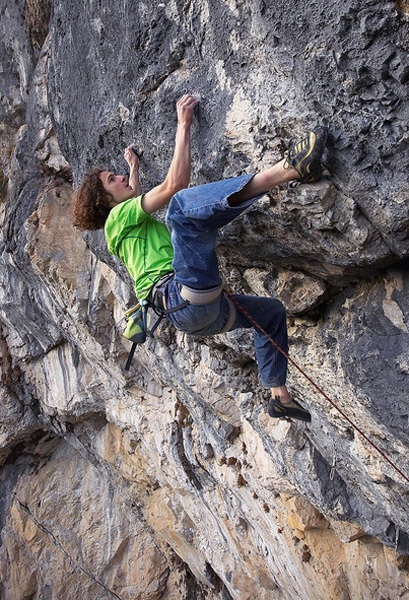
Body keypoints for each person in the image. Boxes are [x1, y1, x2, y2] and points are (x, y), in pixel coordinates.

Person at [73, 94, 328, 422]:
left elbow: (133, 193)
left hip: (196, 316)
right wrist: (183, 124)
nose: (121, 179)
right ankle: (291, 168)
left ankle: (279, 395)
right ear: (105, 202)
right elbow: (174, 185)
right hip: (180, 294)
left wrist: (133, 168)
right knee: (179, 210)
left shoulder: (120, 227)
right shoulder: (118, 217)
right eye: (112, 180)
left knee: (271, 314)